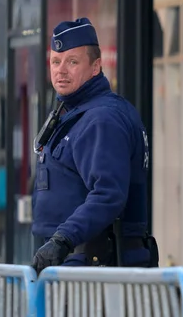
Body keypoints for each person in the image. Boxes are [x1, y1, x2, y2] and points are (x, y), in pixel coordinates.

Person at [31, 17, 155, 274]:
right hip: (75, 262)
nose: (60, 70)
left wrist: (62, 239)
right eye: (56, 61)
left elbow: (108, 194)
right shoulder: (75, 111)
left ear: (96, 66)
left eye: (72, 62)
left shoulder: (102, 118)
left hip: (92, 265)